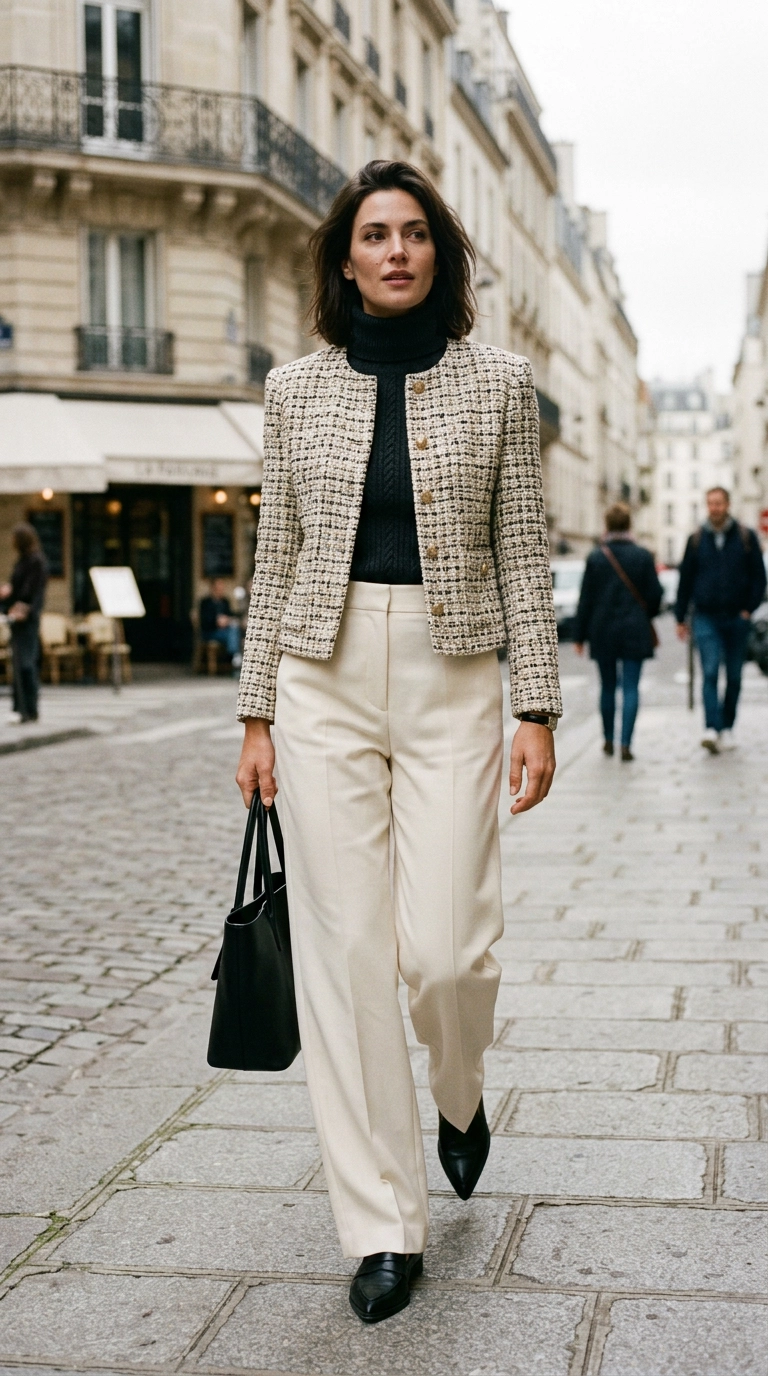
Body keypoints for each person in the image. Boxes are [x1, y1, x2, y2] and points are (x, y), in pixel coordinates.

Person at [234, 160, 561, 1324]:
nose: (394, 251)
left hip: (453, 669)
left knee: (448, 950)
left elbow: (523, 550)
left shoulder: (499, 386)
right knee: (347, 954)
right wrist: (256, 711)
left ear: (441, 254)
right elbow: (273, 559)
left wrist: (536, 705)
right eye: (374, 234)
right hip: (319, 676)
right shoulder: (296, 391)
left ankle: (460, 1092)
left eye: (414, 233)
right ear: (344, 257)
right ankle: (381, 1222)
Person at [675, 486, 766, 753]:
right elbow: (685, 580)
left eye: (718, 503)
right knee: (711, 671)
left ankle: (727, 727)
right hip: (706, 617)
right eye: (710, 504)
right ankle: (711, 728)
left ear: (728, 504)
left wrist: (748, 609)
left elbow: (759, 578)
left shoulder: (745, 537)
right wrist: (681, 617)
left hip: (738, 618)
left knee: (735, 677)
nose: (714, 508)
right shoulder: (696, 539)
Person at [574, 503, 662, 761]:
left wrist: (579, 635)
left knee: (608, 686)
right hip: (635, 628)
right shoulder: (643, 556)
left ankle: (608, 740)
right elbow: (655, 595)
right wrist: (646, 614)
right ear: (629, 525)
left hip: (603, 630)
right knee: (631, 686)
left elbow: (586, 599)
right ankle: (626, 743)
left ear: (607, 526)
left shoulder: (596, 556)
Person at [0, 522, 49, 724]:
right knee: (21, 663)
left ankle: (29, 708)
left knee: (26, 663)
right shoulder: (25, 561)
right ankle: (23, 709)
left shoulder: (35, 561)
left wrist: (21, 606)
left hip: (27, 619)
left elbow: (31, 592)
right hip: (19, 618)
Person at [199, 577, 242, 667]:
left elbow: (231, 614)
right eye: (218, 588)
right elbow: (204, 622)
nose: (220, 590)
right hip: (210, 632)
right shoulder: (205, 602)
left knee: (235, 629)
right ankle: (234, 657)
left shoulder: (225, 602)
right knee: (233, 633)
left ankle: (234, 657)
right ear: (213, 588)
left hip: (225, 631)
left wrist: (227, 620)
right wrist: (216, 621)